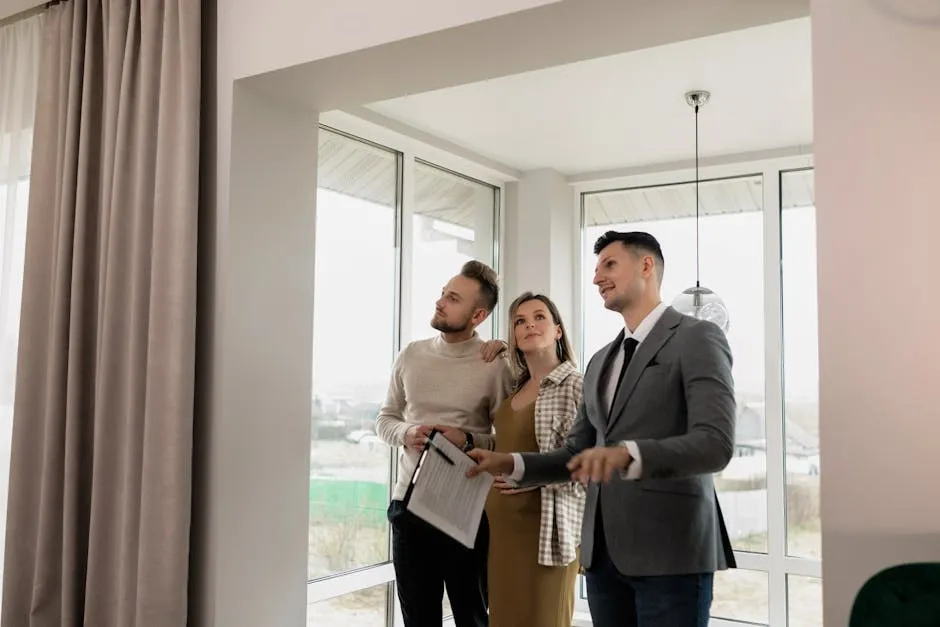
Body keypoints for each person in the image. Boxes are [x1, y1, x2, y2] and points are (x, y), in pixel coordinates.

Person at [468, 231, 736, 627]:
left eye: (609, 265)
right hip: (603, 558)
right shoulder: (600, 361)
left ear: (646, 266)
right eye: (595, 269)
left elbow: (715, 443)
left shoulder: (698, 338)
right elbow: (575, 454)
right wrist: (508, 461)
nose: (597, 278)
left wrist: (630, 453)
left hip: (672, 552)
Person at [375, 259, 513, 627]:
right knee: (418, 619)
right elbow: (385, 418)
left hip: (465, 511)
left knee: (472, 617)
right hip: (408, 505)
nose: (440, 302)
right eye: (442, 293)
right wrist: (407, 433)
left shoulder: (495, 364)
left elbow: (508, 441)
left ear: (477, 315)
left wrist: (467, 439)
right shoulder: (411, 354)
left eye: (453, 298)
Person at [485, 292, 585, 627]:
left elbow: (585, 463)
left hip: (547, 532)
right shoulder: (514, 388)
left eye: (539, 317)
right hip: (501, 535)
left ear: (558, 330)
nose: (530, 325)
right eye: (520, 321)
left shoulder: (575, 385)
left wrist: (532, 477)